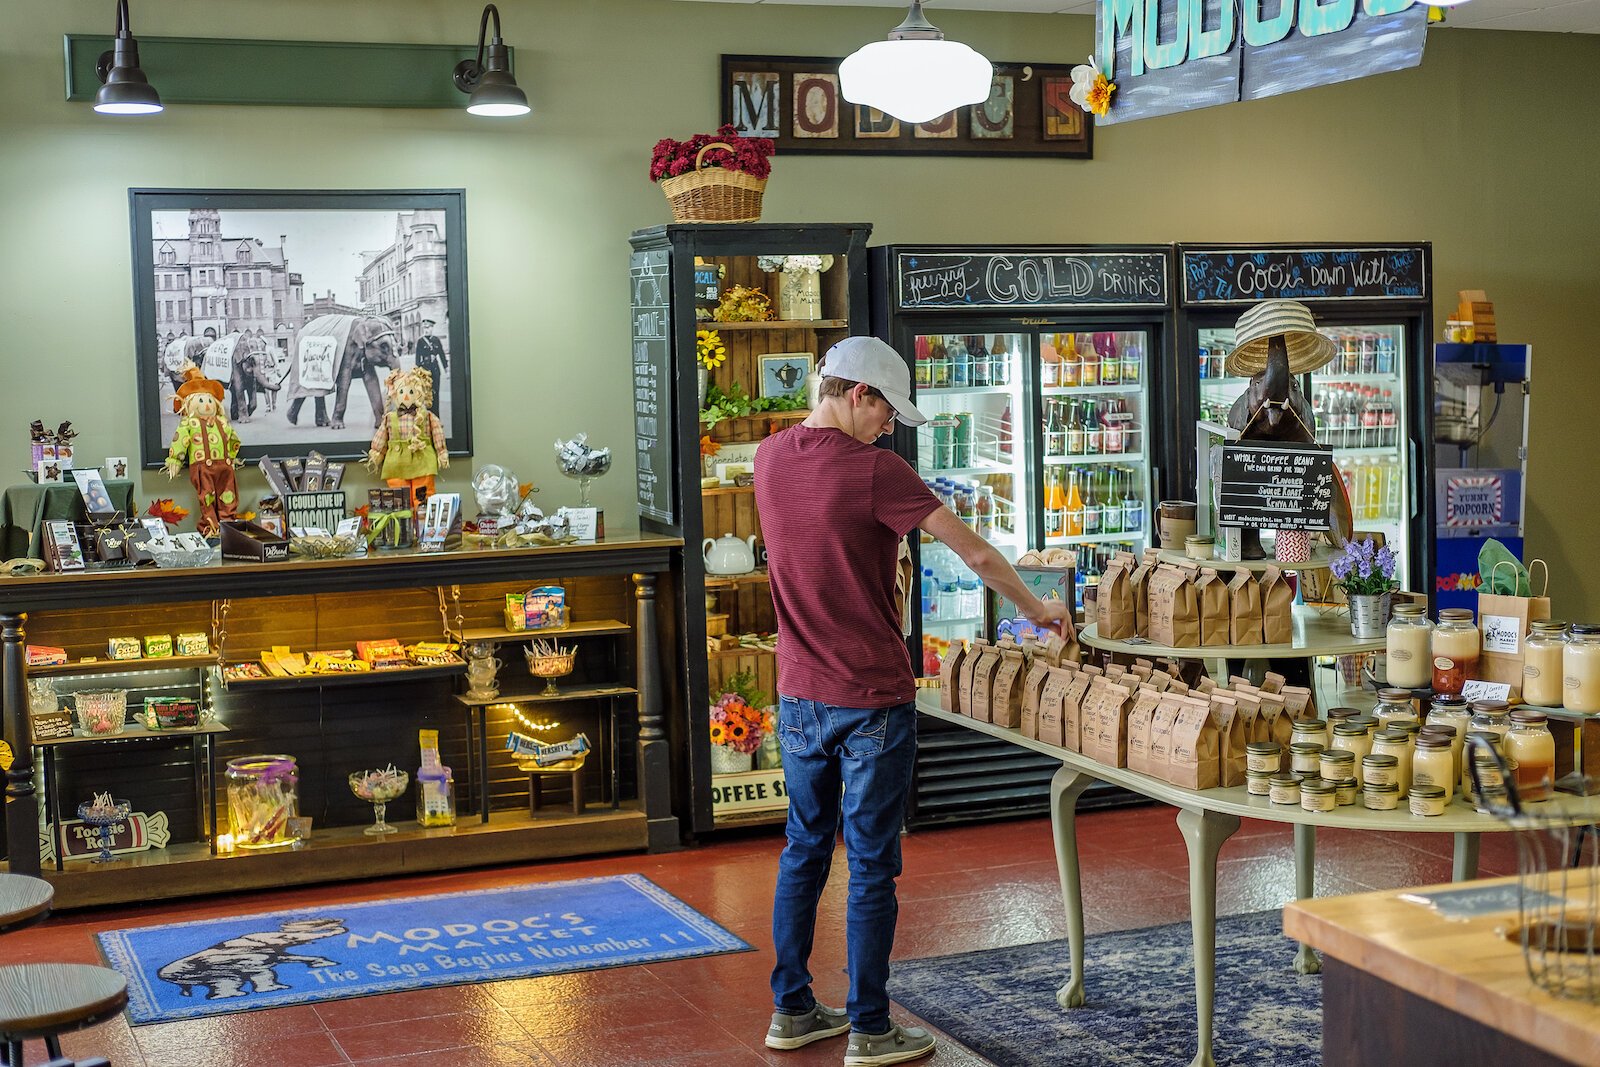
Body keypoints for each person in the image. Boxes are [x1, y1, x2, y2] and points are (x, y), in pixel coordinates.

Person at [754, 336, 1072, 1066]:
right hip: (871, 696)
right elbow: (979, 554)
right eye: (885, 410)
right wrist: (1041, 608)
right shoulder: (875, 472)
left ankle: (792, 1008)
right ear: (857, 394)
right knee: (869, 864)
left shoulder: (769, 458)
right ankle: (869, 1027)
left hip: (799, 693)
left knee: (802, 851)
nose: (889, 426)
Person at [414, 319, 447, 415]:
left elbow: (441, 354)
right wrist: (418, 372)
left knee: (435, 394)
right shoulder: (420, 341)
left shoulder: (436, 340)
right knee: (427, 395)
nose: (426, 329)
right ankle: (429, 417)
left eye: (428, 327)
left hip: (436, 370)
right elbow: (417, 358)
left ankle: (436, 417)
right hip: (425, 370)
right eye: (424, 327)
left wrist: (446, 369)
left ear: (432, 328)